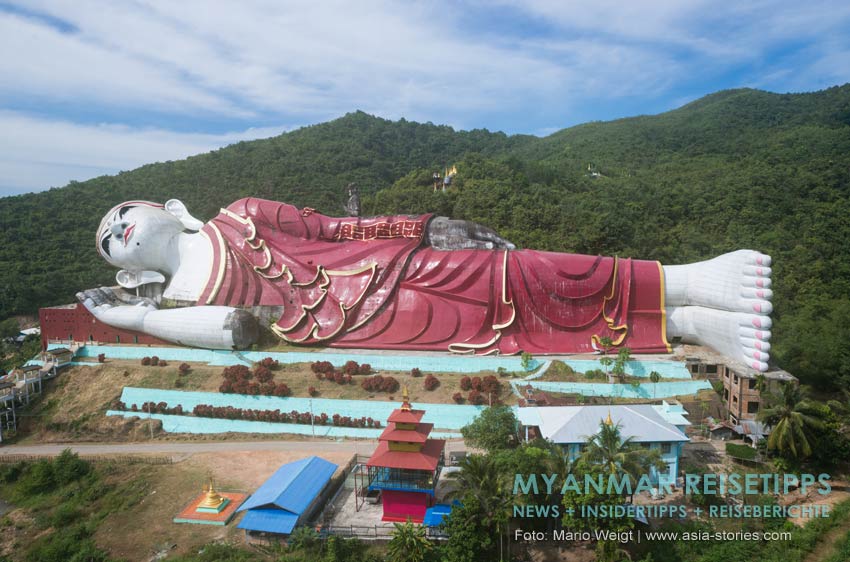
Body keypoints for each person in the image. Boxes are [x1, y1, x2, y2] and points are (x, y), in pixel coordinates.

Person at [79, 198, 773, 371]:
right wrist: (134, 320)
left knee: (519, 270)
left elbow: (334, 229)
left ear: (166, 211)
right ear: (127, 269)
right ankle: (683, 324)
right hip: (369, 327)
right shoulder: (180, 304)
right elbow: (234, 334)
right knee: (513, 327)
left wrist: (424, 227)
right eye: (109, 241)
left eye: (121, 215)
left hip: (383, 267)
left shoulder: (242, 216)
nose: (117, 229)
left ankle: (686, 278)